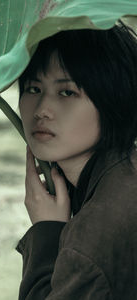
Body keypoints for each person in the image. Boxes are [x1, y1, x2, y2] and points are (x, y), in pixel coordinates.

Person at [15, 19, 137, 300]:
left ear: (113, 100)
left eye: (67, 92)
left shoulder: (91, 243)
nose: (42, 110)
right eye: (33, 89)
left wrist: (46, 231)